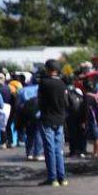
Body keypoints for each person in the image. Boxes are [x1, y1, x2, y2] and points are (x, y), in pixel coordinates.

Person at [37, 59, 69, 187]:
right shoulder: (62, 83)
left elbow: (40, 101)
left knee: (49, 148)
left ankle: (52, 177)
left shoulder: (44, 83)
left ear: (48, 69)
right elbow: (66, 102)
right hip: (60, 118)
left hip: (47, 118)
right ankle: (62, 177)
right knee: (58, 149)